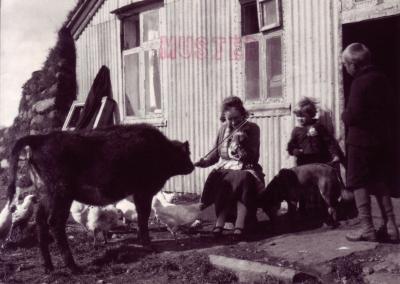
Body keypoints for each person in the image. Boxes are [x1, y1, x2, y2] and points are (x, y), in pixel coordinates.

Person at [342, 43, 399, 242]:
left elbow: (353, 115)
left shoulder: (359, 82)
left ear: (353, 64)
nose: (345, 69)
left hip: (360, 143)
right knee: (380, 182)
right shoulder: (382, 79)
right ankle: (391, 227)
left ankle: (367, 228)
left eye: (345, 65)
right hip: (381, 142)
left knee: (359, 184)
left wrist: (345, 115)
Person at [194, 96, 264, 238]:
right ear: (224, 117)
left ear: (243, 114)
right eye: (229, 119)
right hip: (226, 167)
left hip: (246, 167)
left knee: (242, 178)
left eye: (236, 118)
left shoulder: (252, 129)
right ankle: (220, 222)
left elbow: (253, 157)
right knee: (222, 179)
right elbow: (215, 155)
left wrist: (241, 145)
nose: (233, 122)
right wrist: (203, 162)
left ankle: (240, 223)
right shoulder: (223, 130)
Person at [287, 97, 344, 166]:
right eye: (298, 116)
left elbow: (330, 143)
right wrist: (295, 151)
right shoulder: (296, 130)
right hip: (303, 162)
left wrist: (335, 155)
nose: (300, 119)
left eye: (303, 116)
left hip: (320, 161)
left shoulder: (319, 127)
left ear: (311, 115)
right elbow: (290, 147)